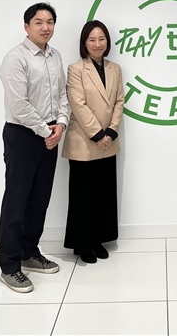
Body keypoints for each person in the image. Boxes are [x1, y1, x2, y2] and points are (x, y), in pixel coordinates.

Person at [0, 3, 68, 293]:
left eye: (50, 21)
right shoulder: (15, 58)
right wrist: (46, 131)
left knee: (39, 199)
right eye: (38, 22)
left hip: (50, 133)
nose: (45, 27)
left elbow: (62, 94)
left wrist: (61, 124)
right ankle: (10, 266)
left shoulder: (55, 56)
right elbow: (19, 105)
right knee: (16, 201)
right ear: (26, 26)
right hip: (23, 135)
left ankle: (29, 252)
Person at [62, 20, 124, 264]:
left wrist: (111, 131)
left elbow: (119, 101)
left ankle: (98, 239)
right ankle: (82, 243)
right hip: (84, 141)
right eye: (92, 39)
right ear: (84, 43)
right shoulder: (76, 69)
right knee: (82, 195)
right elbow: (77, 104)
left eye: (101, 39)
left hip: (108, 140)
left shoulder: (115, 69)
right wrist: (98, 134)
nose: (97, 44)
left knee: (103, 194)